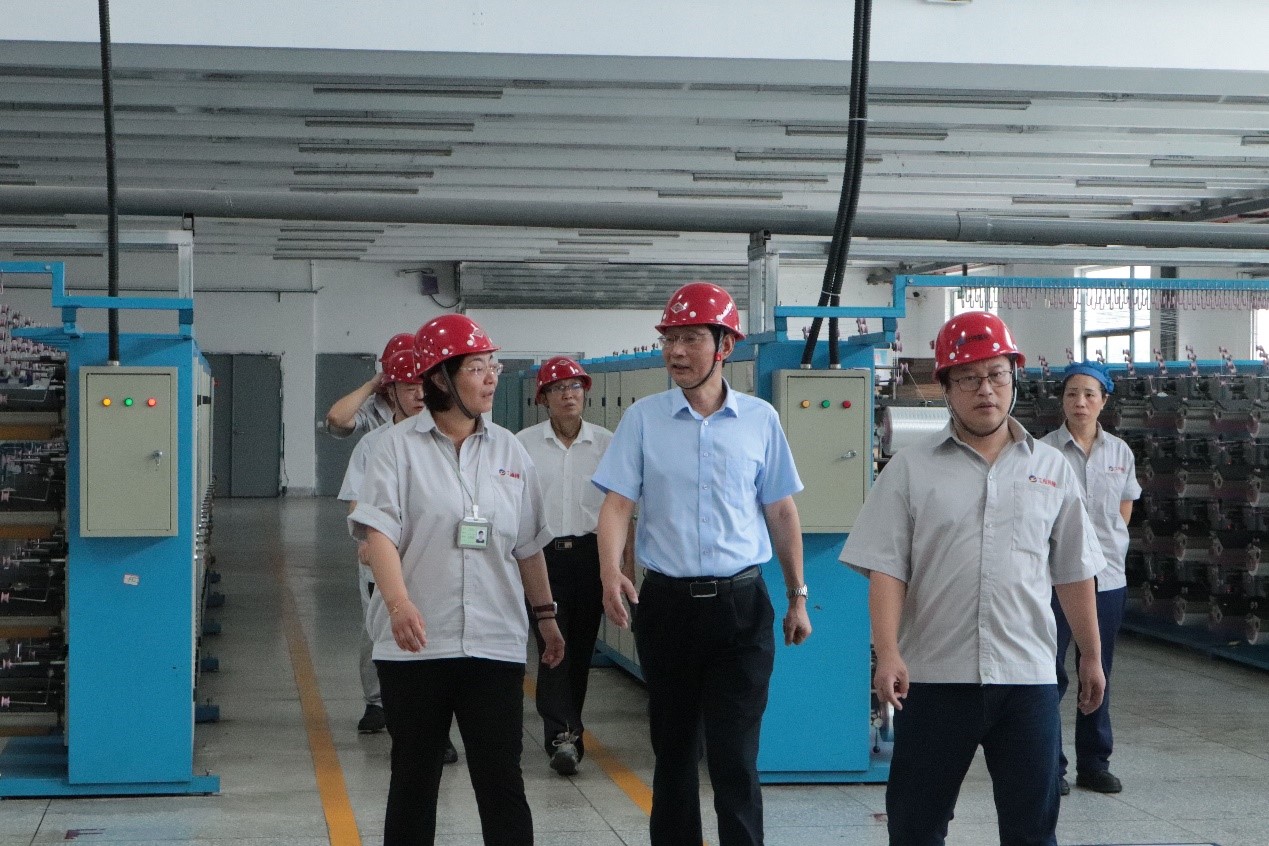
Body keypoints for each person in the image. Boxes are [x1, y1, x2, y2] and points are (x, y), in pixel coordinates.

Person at [839, 311, 1107, 846]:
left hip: (1027, 677)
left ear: (1014, 378)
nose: (985, 389)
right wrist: (887, 652)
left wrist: (1091, 656)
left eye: (996, 375)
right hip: (934, 676)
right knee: (916, 827)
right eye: (968, 378)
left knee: (1032, 831)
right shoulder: (910, 469)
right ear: (945, 387)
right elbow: (887, 569)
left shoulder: (1051, 468)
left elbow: (1074, 572)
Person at [593, 281, 813, 846]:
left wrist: (797, 596)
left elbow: (781, 510)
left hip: (742, 609)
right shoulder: (643, 419)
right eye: (670, 339)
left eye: (691, 338)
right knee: (673, 756)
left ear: (725, 346)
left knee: (735, 759)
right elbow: (617, 504)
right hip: (667, 608)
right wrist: (610, 572)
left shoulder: (760, 419)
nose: (676, 351)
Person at [350, 314, 564, 846]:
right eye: (477, 368)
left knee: (501, 780)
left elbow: (528, 545)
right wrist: (398, 604)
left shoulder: (510, 451)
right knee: (414, 779)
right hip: (416, 646)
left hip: (495, 641)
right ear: (441, 378)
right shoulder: (394, 448)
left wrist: (546, 617)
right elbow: (377, 534)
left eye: (493, 366)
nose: (491, 378)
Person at [336, 349, 458, 761]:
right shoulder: (374, 444)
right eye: (409, 387)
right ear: (392, 392)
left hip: (433, 559)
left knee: (434, 641)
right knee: (385, 636)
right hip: (387, 560)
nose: (419, 394)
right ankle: (384, 707)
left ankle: (436, 730)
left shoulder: (448, 439)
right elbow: (357, 501)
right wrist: (368, 544)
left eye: (424, 385)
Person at [516, 355, 633, 777]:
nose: (568, 395)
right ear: (542, 398)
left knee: (579, 649)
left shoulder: (607, 444)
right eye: (557, 389)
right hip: (541, 557)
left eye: (574, 387)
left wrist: (623, 567)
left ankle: (569, 728)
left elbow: (623, 510)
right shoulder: (523, 445)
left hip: (591, 557)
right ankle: (562, 735)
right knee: (552, 644)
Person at [1041, 361, 1140, 796]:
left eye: (1089, 394)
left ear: (1104, 401)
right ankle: (1051, 765)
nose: (1079, 402)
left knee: (1097, 669)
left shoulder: (1120, 452)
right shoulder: (1042, 452)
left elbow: (1124, 508)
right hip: (1055, 579)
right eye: (1071, 394)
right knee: (1049, 671)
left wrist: (1103, 550)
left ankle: (1094, 763)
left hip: (1108, 578)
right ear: (1062, 401)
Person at [325, 332, 415, 437]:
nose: (418, 393)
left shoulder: (425, 404)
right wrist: (370, 386)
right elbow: (336, 418)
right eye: (409, 386)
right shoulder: (373, 406)